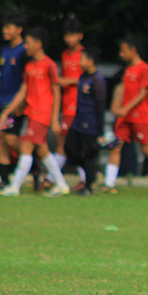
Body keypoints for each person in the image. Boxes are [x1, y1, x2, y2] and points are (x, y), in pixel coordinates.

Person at [0, 27, 72, 197]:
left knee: (27, 147)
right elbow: (23, 91)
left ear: (38, 44)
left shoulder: (49, 65)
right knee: (42, 151)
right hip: (32, 113)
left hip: (42, 113)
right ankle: (61, 184)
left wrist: (54, 119)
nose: (25, 46)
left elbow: (56, 92)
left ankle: (14, 187)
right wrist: (8, 111)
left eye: (28, 43)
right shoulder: (30, 66)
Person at [101, 35, 148, 194]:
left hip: (139, 115)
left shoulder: (143, 68)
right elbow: (122, 90)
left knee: (146, 147)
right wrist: (118, 107)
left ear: (133, 50)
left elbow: (142, 94)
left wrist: (126, 108)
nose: (121, 54)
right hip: (125, 117)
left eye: (123, 50)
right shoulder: (127, 70)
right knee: (115, 146)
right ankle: (109, 183)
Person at [0, 10, 28, 191]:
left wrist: (22, 103)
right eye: (4, 27)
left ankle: (35, 165)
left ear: (19, 29)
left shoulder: (24, 51)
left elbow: (26, 82)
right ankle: (4, 180)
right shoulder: (4, 50)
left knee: (11, 139)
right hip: (0, 102)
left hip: (15, 103)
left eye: (9, 27)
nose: (5, 30)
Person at [64, 46, 107, 195]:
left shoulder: (98, 80)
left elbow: (100, 106)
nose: (79, 62)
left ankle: (88, 186)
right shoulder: (83, 77)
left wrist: (100, 130)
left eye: (81, 59)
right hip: (78, 122)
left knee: (89, 154)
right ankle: (92, 173)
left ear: (90, 61)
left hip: (90, 124)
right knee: (69, 149)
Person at [55, 17, 85, 181]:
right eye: (67, 35)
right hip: (66, 105)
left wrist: (65, 81)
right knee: (64, 141)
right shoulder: (65, 55)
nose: (69, 39)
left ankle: (53, 178)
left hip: (78, 105)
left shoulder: (83, 55)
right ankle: (53, 178)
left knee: (70, 143)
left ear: (80, 36)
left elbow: (86, 79)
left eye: (72, 35)